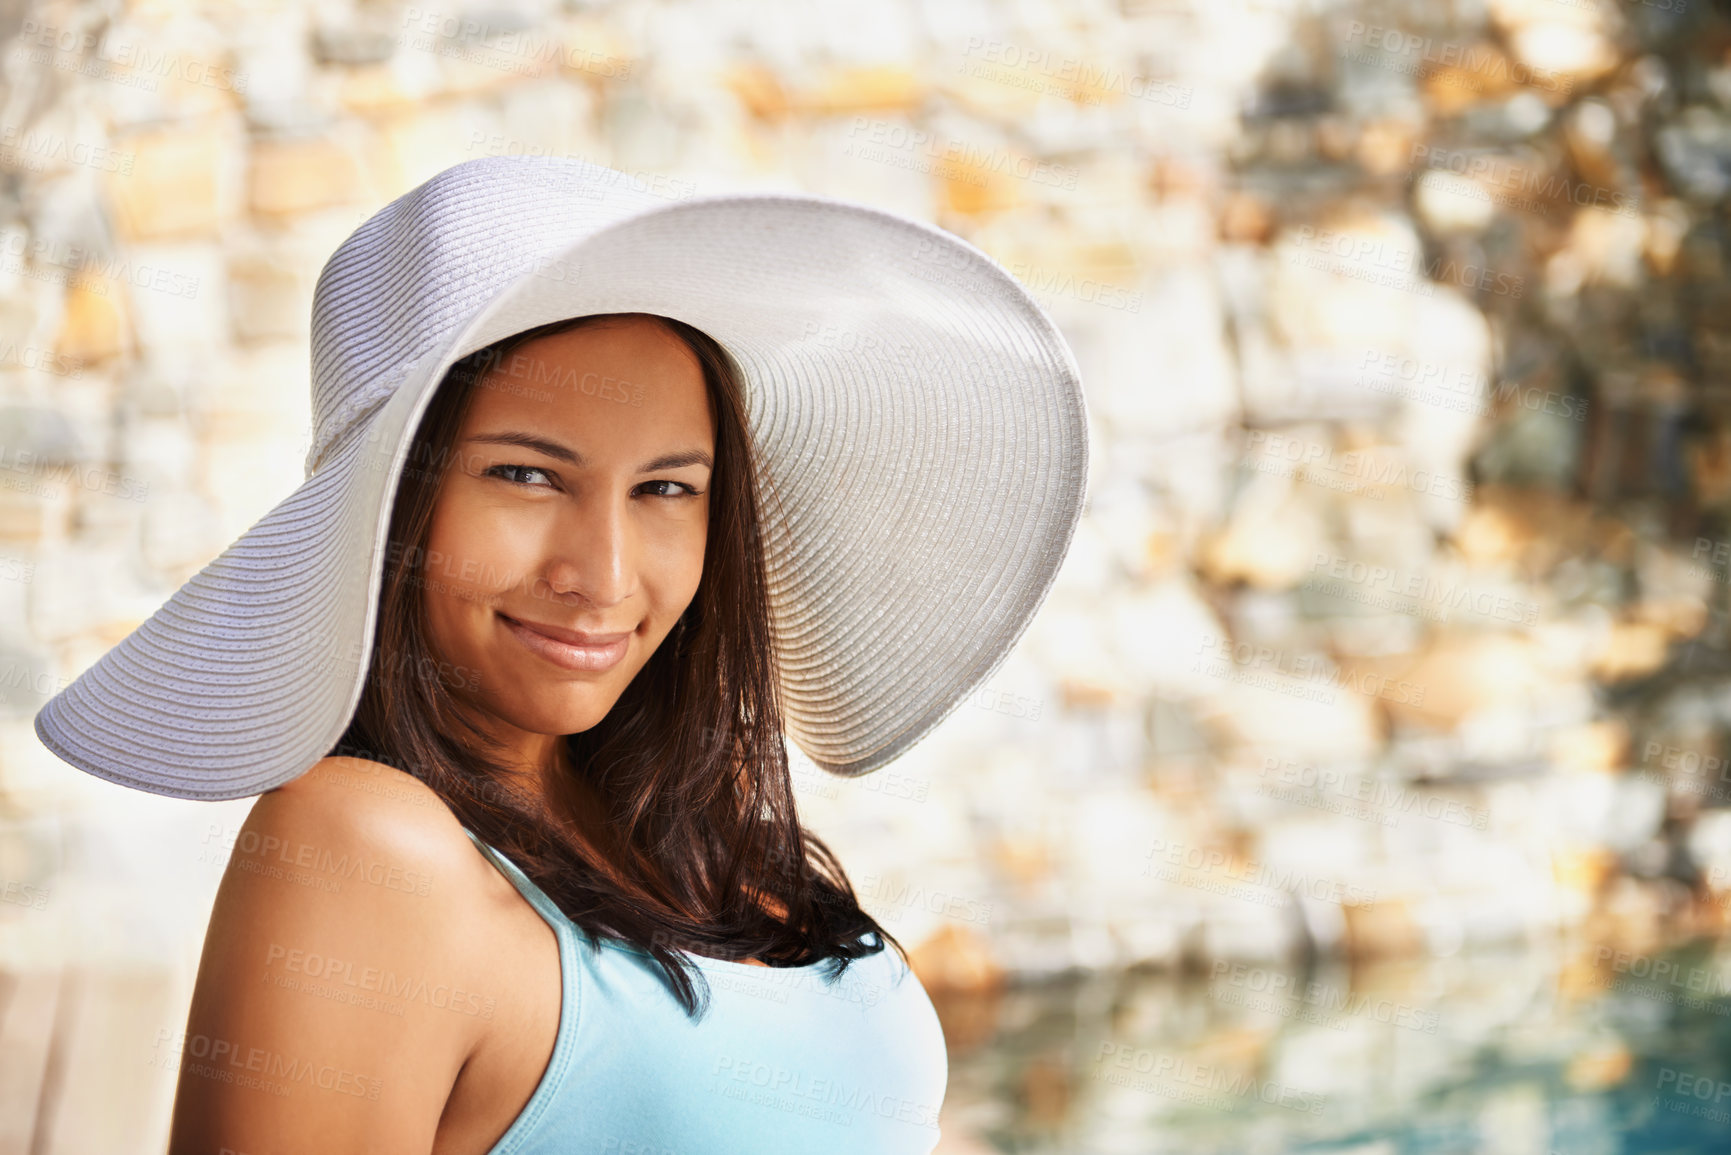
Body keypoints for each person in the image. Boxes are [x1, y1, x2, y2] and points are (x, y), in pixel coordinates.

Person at [34, 156, 1090, 1153]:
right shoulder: (365, 844)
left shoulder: (707, 846)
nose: (605, 573)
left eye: (667, 488)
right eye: (528, 477)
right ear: (396, 505)